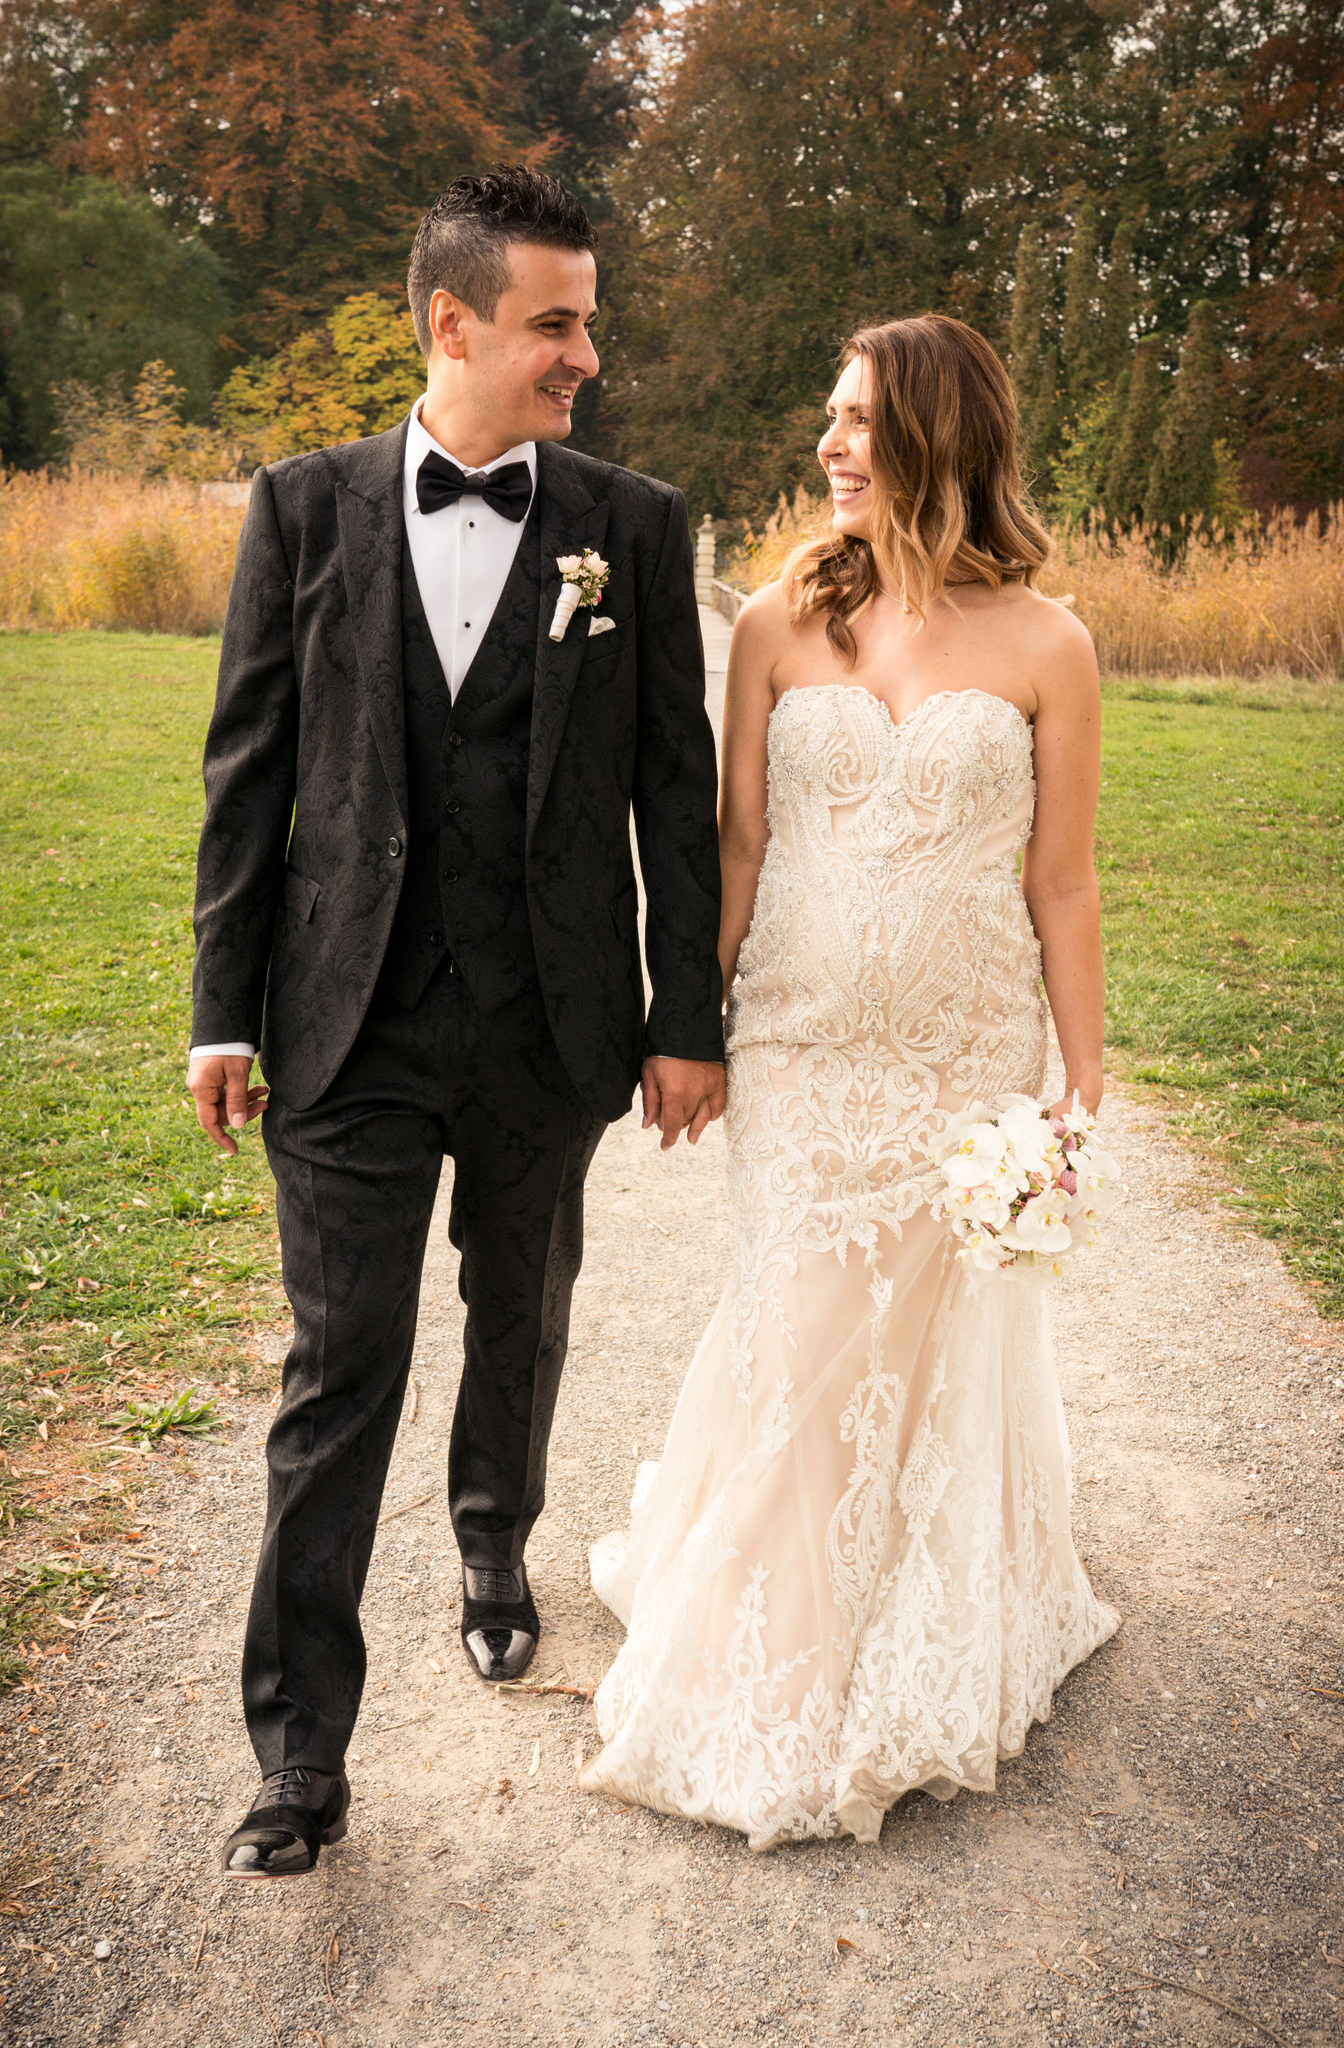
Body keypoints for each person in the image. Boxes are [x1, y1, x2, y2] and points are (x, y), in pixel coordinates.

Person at [187, 166, 725, 1879]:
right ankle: (298, 1752)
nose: (586, 351)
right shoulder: (301, 509)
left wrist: (681, 1014)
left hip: (549, 1022)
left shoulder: (631, 526)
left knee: (524, 1311)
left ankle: (494, 1545)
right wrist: (219, 1009)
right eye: (556, 321)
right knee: (339, 1370)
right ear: (454, 322)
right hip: (342, 1021)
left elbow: (670, 786)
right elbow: (248, 771)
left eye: (588, 318)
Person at [580, 314, 1120, 1849]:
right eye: (827, 417)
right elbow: (732, 846)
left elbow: (1062, 881)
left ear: (939, 439)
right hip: (803, 1045)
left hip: (964, 1058)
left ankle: (931, 1606)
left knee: (930, 1343)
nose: (828, 445)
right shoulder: (769, 623)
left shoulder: (1047, 644)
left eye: (859, 421)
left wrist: (1079, 1074)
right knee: (805, 1328)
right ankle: (782, 1657)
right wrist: (688, 1023)